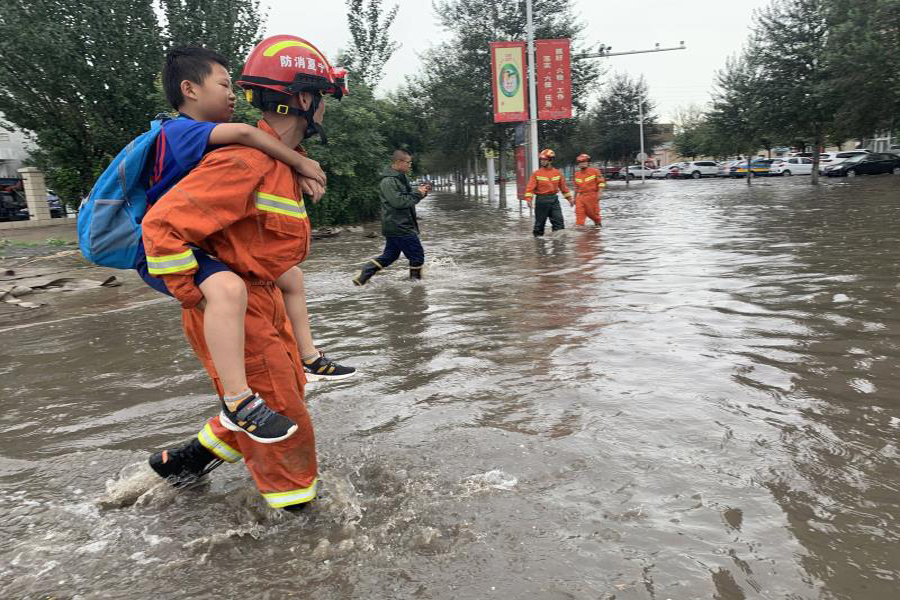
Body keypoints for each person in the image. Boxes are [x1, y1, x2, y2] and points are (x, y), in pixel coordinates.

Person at [143, 35, 348, 509]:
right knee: (282, 411)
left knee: (286, 391)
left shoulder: (279, 164)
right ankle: (298, 517)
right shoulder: (244, 160)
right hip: (234, 305)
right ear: (303, 99)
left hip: (264, 298)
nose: (325, 108)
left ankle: (186, 463)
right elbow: (161, 228)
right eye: (323, 98)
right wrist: (201, 295)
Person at [352, 149, 430, 285]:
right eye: (408, 163)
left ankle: (362, 277)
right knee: (417, 256)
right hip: (400, 226)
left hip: (397, 225)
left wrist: (420, 192)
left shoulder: (400, 179)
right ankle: (416, 287)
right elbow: (398, 202)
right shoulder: (388, 181)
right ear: (399, 162)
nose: (410, 165)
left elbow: (407, 197)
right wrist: (418, 194)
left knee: (390, 256)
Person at [524, 148, 573, 237]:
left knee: (559, 224)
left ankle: (558, 244)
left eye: (544, 159)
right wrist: (528, 199)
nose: (542, 161)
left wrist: (570, 199)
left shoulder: (557, 173)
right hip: (541, 200)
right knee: (539, 225)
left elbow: (564, 188)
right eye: (541, 159)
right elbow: (530, 188)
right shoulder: (536, 174)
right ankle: (538, 242)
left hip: (554, 200)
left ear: (550, 160)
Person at [571, 153, 606, 227]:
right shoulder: (577, 174)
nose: (582, 164)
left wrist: (600, 194)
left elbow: (601, 183)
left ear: (588, 162)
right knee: (579, 216)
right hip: (581, 197)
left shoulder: (595, 171)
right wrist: (574, 199)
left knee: (594, 215)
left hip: (592, 197)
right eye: (580, 162)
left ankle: (598, 226)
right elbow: (576, 188)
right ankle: (579, 230)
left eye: (583, 162)